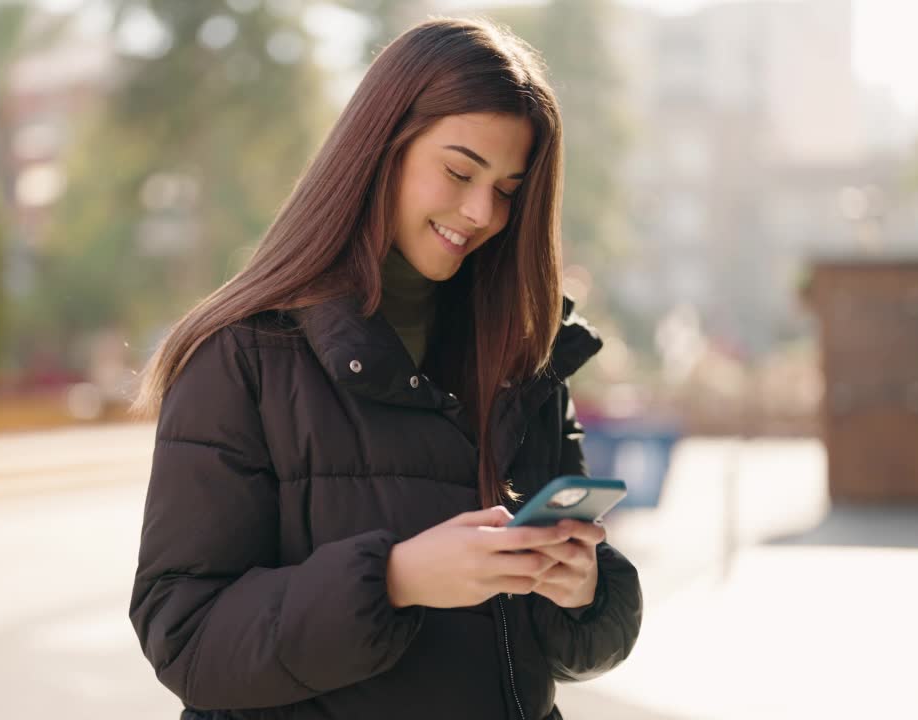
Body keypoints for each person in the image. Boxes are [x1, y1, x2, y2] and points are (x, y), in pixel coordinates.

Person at [129, 17, 642, 720]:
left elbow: (587, 637)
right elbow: (185, 638)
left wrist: (581, 589)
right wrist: (393, 580)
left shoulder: (524, 357)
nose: (480, 212)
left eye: (507, 189)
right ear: (382, 149)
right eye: (460, 171)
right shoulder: (242, 355)